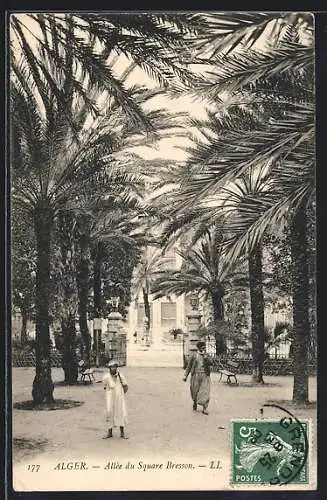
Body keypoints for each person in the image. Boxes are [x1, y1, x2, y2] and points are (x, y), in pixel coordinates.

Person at [183, 341, 211, 415]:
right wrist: (185, 375)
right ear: (199, 348)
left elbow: (211, 363)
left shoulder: (206, 355)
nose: (204, 349)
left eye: (204, 348)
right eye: (202, 348)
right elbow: (189, 366)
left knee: (205, 391)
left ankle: (205, 408)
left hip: (205, 375)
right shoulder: (194, 355)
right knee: (195, 391)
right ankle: (195, 401)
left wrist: (206, 358)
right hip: (195, 375)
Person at [103, 359, 128, 439]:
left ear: (116, 367)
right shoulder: (106, 376)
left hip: (119, 398)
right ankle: (109, 432)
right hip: (110, 396)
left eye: (114, 367)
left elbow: (126, 386)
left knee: (121, 412)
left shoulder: (120, 375)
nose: (113, 369)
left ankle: (122, 433)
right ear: (109, 368)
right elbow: (105, 386)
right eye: (111, 367)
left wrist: (121, 394)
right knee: (109, 412)